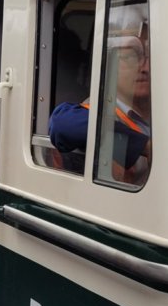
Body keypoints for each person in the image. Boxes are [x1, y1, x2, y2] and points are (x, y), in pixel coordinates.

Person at [49, 17, 151, 184]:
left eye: (151, 57)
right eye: (131, 58)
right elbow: (61, 124)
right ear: (108, 63)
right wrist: (143, 146)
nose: (145, 68)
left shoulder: (167, 113)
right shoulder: (98, 109)